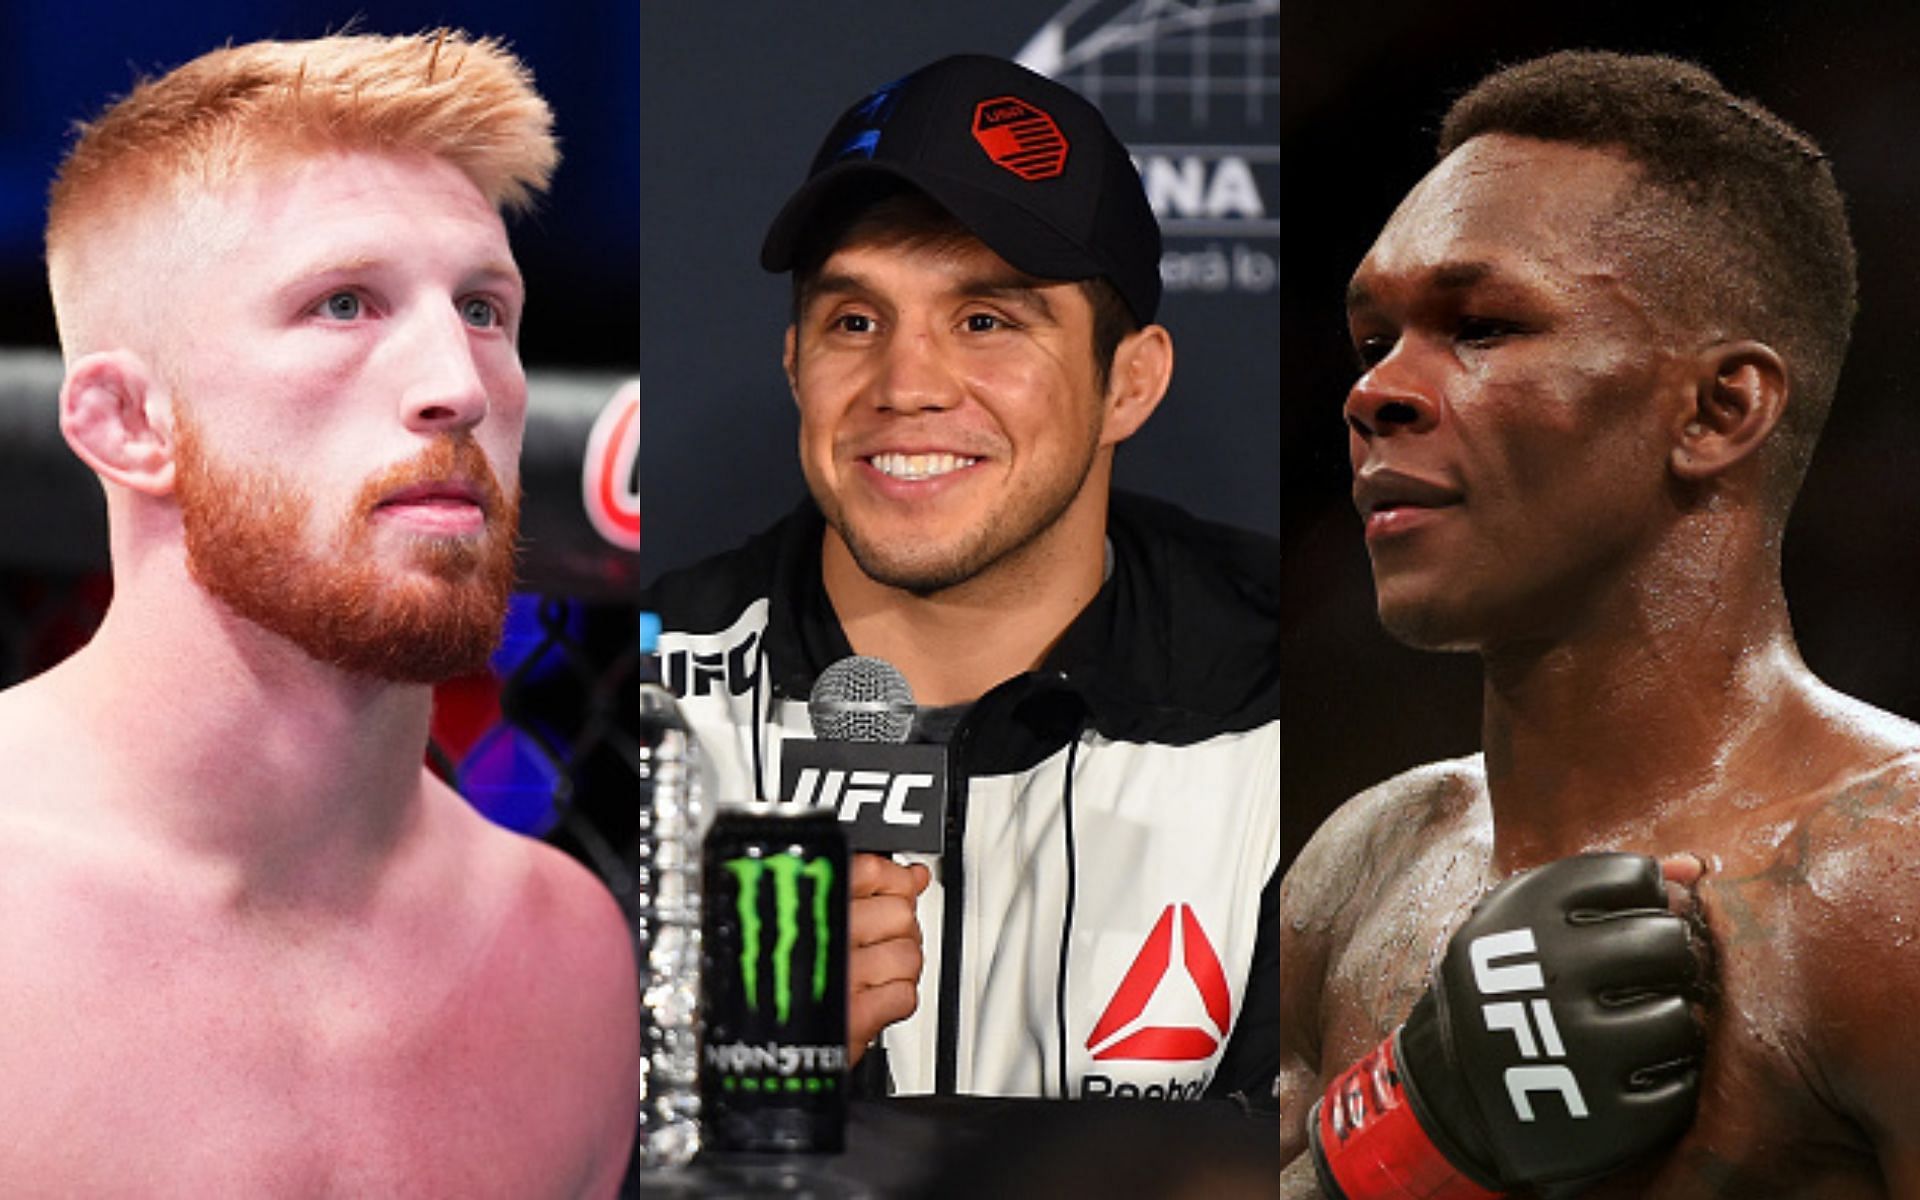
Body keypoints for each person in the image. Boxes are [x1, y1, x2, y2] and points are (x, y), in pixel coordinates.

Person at [0, 32, 637, 1194]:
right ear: (129, 424)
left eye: (486, 309)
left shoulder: (569, 959)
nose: (456, 380)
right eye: (344, 303)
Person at [1278, 50, 1920, 1197]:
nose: (1372, 393)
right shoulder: (1365, 863)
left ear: (1722, 408)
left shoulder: (1890, 882)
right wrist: (1400, 1145)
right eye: (1374, 338)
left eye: (1478, 325)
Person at [641, 54, 1279, 1105]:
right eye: (855, 321)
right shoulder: (652, 695)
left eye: (986, 320)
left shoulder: (1276, 688)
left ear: (1130, 383)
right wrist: (743, 1096)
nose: (907, 385)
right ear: (795, 362)